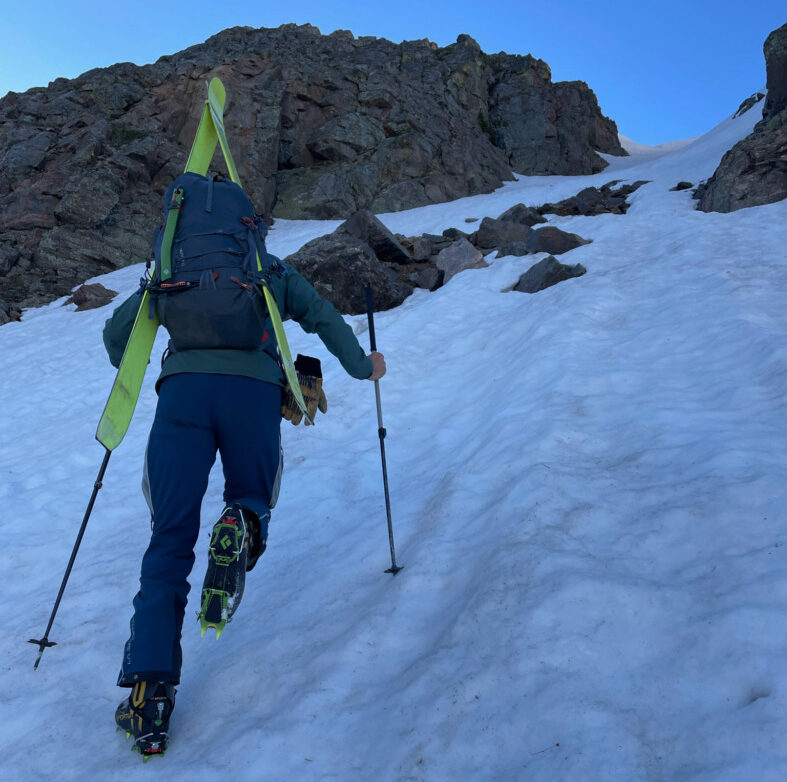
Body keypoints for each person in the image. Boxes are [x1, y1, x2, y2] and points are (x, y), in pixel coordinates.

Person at [103, 258, 386, 756]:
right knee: (253, 495)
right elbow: (321, 315)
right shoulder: (266, 268)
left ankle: (149, 702)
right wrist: (365, 366)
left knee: (168, 539)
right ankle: (243, 523)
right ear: (247, 224)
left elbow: (116, 341)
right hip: (254, 392)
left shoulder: (174, 266)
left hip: (182, 394)